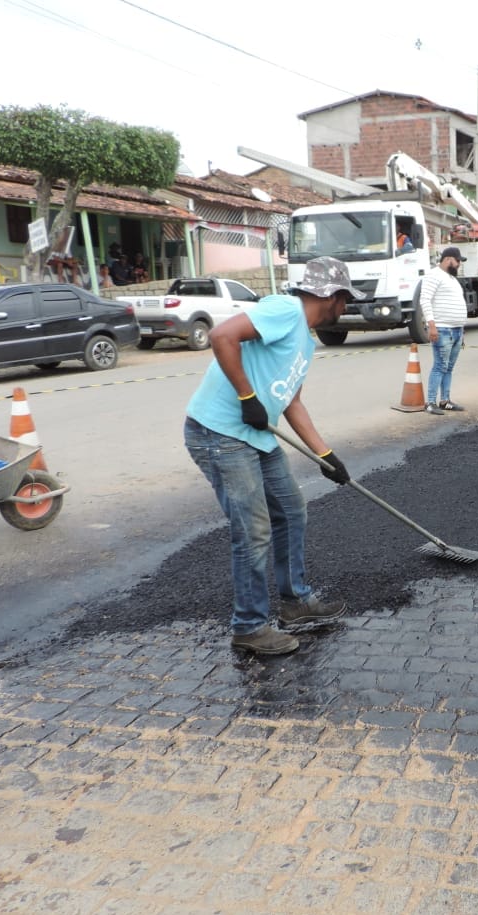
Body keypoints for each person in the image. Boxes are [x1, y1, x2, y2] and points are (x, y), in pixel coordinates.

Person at [183, 256, 365, 655]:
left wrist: (326, 455)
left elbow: (290, 401)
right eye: (345, 299)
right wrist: (247, 397)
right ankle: (248, 627)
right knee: (254, 530)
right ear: (331, 295)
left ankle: (295, 602)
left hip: (256, 437)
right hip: (220, 433)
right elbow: (221, 337)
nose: (346, 307)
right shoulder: (285, 310)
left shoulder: (304, 338)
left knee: (291, 510)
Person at [421, 246, 468, 415]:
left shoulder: (452, 279)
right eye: (458, 262)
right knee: (440, 366)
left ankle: (445, 401)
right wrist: (431, 326)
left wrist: (461, 330)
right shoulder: (433, 275)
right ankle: (431, 402)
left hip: (456, 330)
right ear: (449, 259)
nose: (459, 265)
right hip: (442, 329)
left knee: (449, 368)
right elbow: (425, 300)